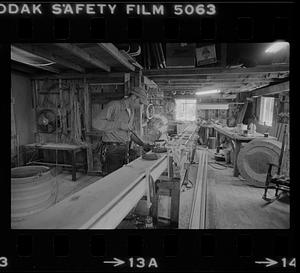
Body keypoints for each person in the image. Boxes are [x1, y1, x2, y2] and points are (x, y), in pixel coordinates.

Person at [92, 87, 151, 174]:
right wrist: (119, 125)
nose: (140, 106)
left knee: (121, 178)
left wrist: (142, 144)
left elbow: (129, 132)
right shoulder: (114, 106)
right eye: (140, 102)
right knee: (112, 180)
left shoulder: (131, 110)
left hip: (124, 148)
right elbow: (96, 123)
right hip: (112, 149)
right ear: (134, 97)